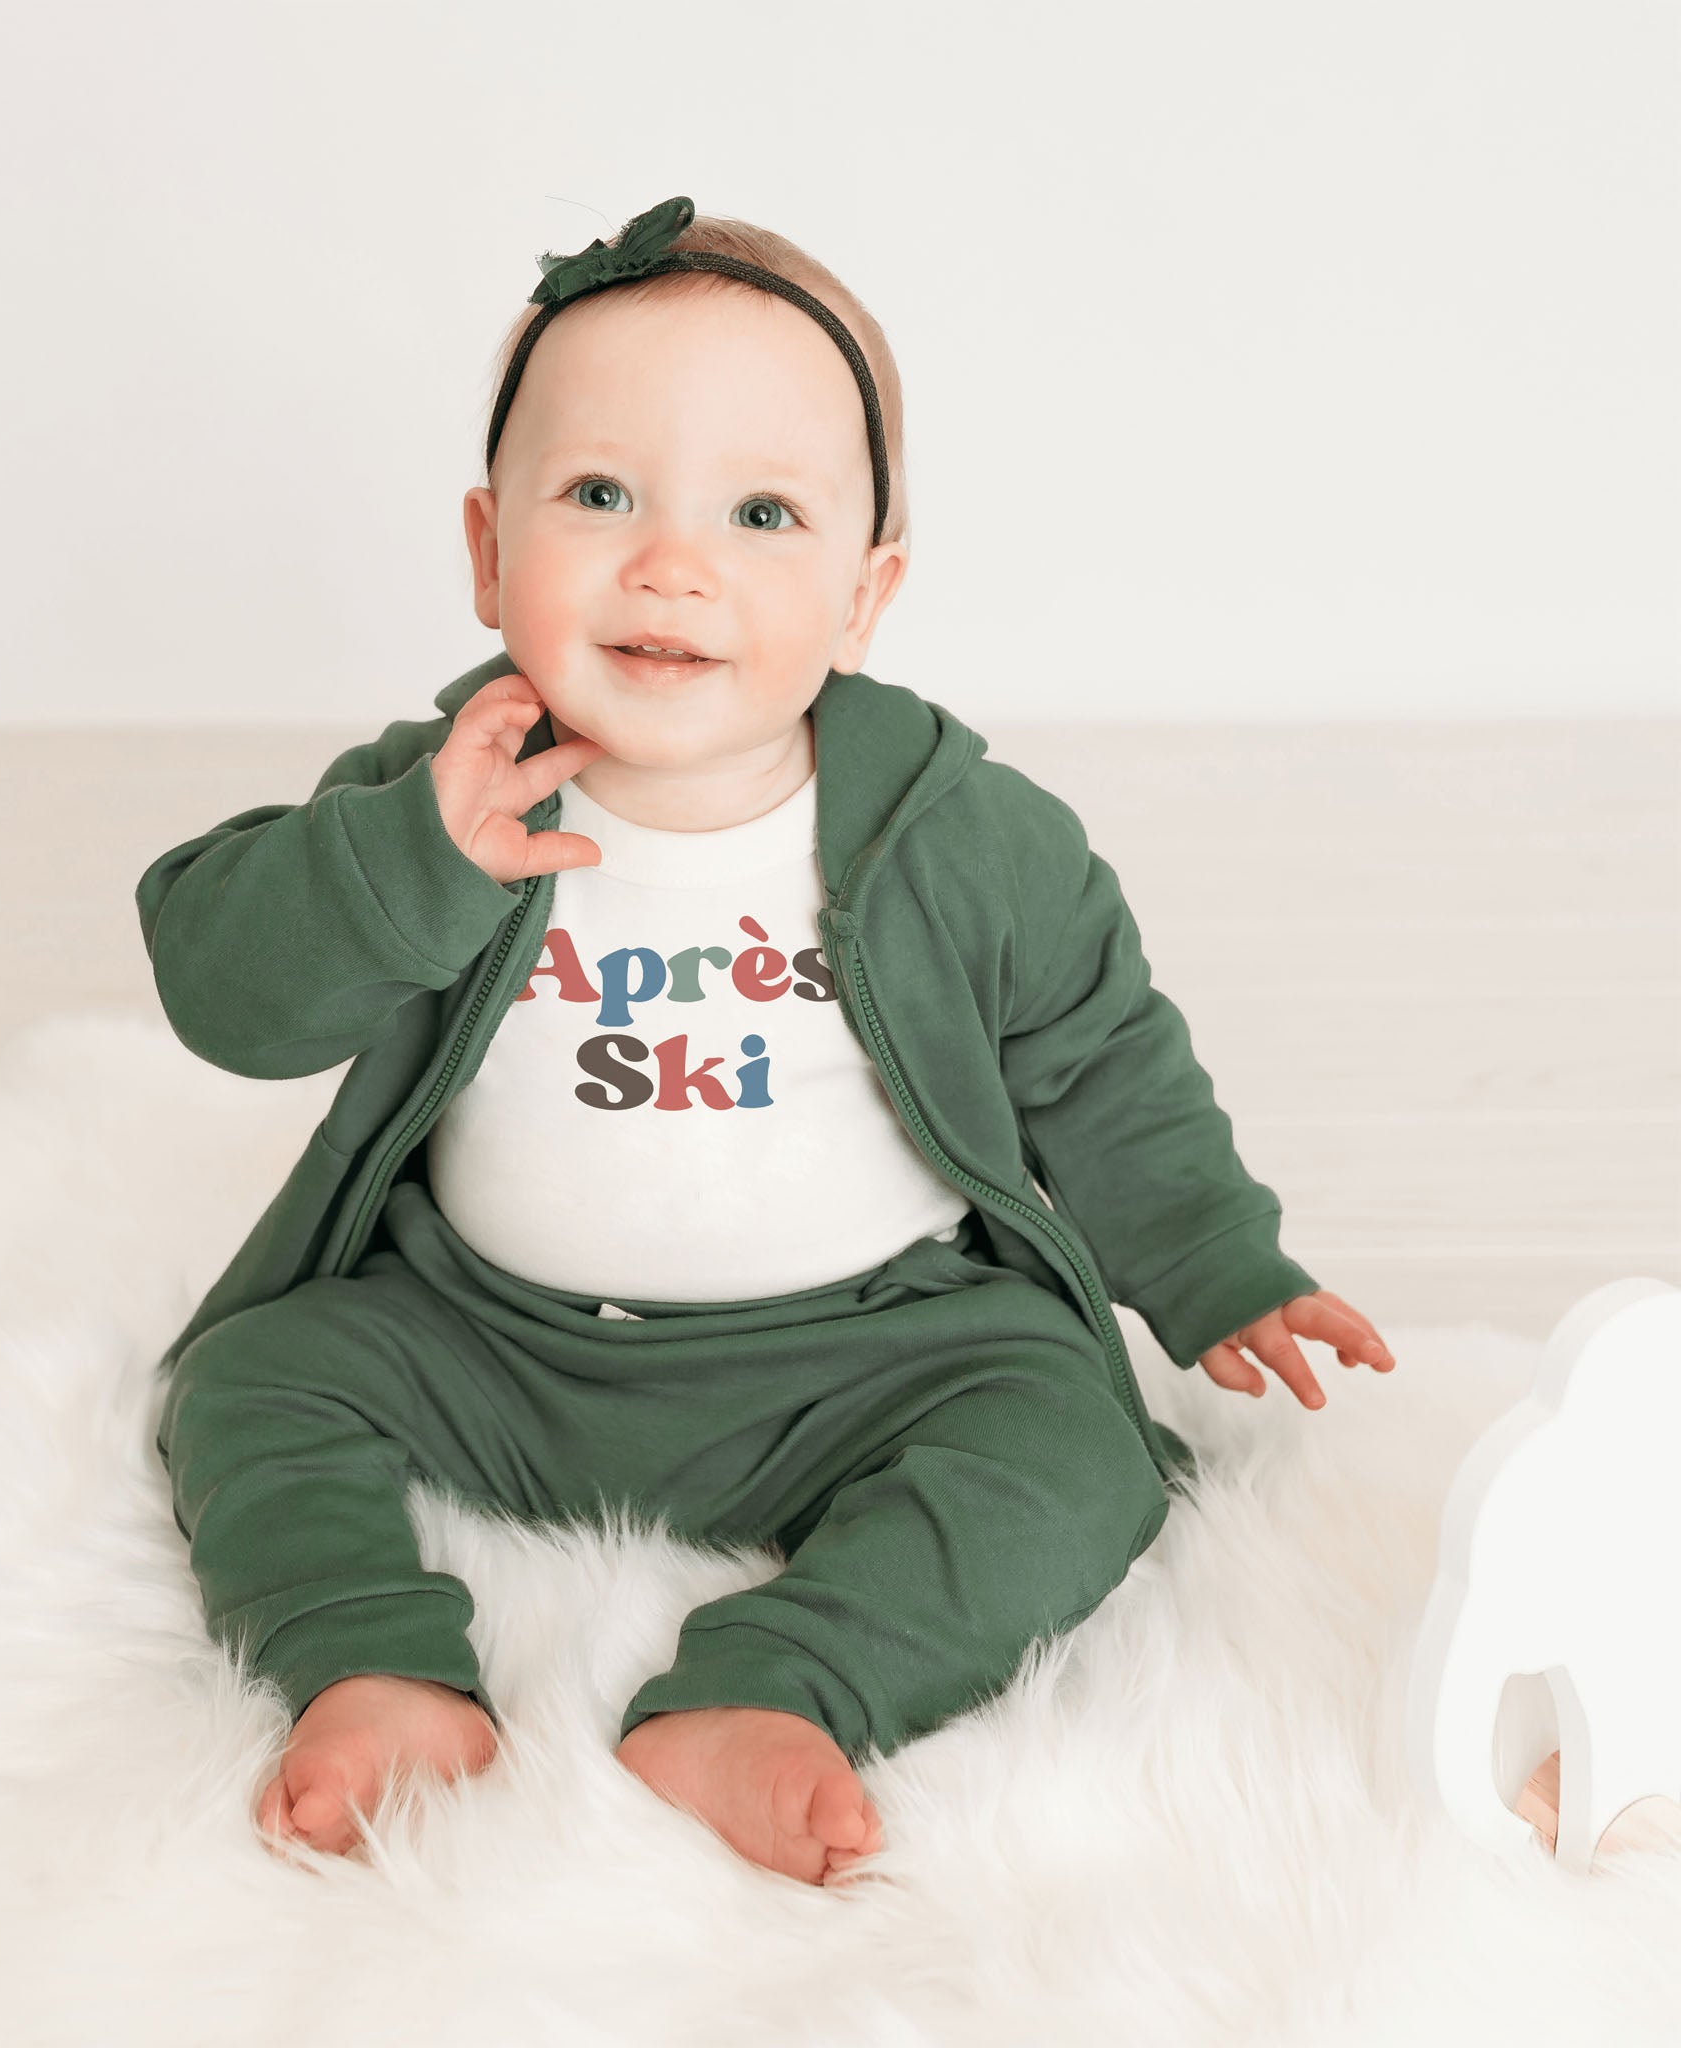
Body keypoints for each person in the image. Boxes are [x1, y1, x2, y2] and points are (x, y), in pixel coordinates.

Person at [137, 197, 1397, 1889]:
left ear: (866, 595)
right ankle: (370, 1665)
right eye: (599, 496)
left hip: (865, 1352)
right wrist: (402, 867)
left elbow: (1098, 1061)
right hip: (490, 1339)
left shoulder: (963, 835)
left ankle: (780, 1687)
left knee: (1072, 1456)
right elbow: (226, 991)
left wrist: (1217, 1264)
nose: (674, 562)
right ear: (484, 547)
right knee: (256, 1378)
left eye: (763, 512)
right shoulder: (448, 788)